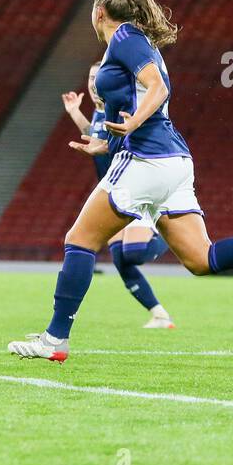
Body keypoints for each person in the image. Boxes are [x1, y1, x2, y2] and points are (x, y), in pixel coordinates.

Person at [9, 0, 233, 363]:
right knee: (201, 259)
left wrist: (128, 130)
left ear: (98, 11)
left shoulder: (126, 38)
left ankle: (55, 339)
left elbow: (158, 89)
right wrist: (105, 143)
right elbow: (129, 105)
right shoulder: (125, 47)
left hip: (147, 159)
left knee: (79, 240)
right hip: (173, 163)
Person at [63, 62, 174, 328]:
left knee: (133, 253)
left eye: (96, 77)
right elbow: (95, 134)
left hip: (134, 190)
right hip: (114, 192)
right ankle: (160, 314)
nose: (92, 84)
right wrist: (75, 113)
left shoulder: (121, 109)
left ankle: (170, 238)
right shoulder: (100, 113)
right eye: (89, 78)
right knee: (122, 262)